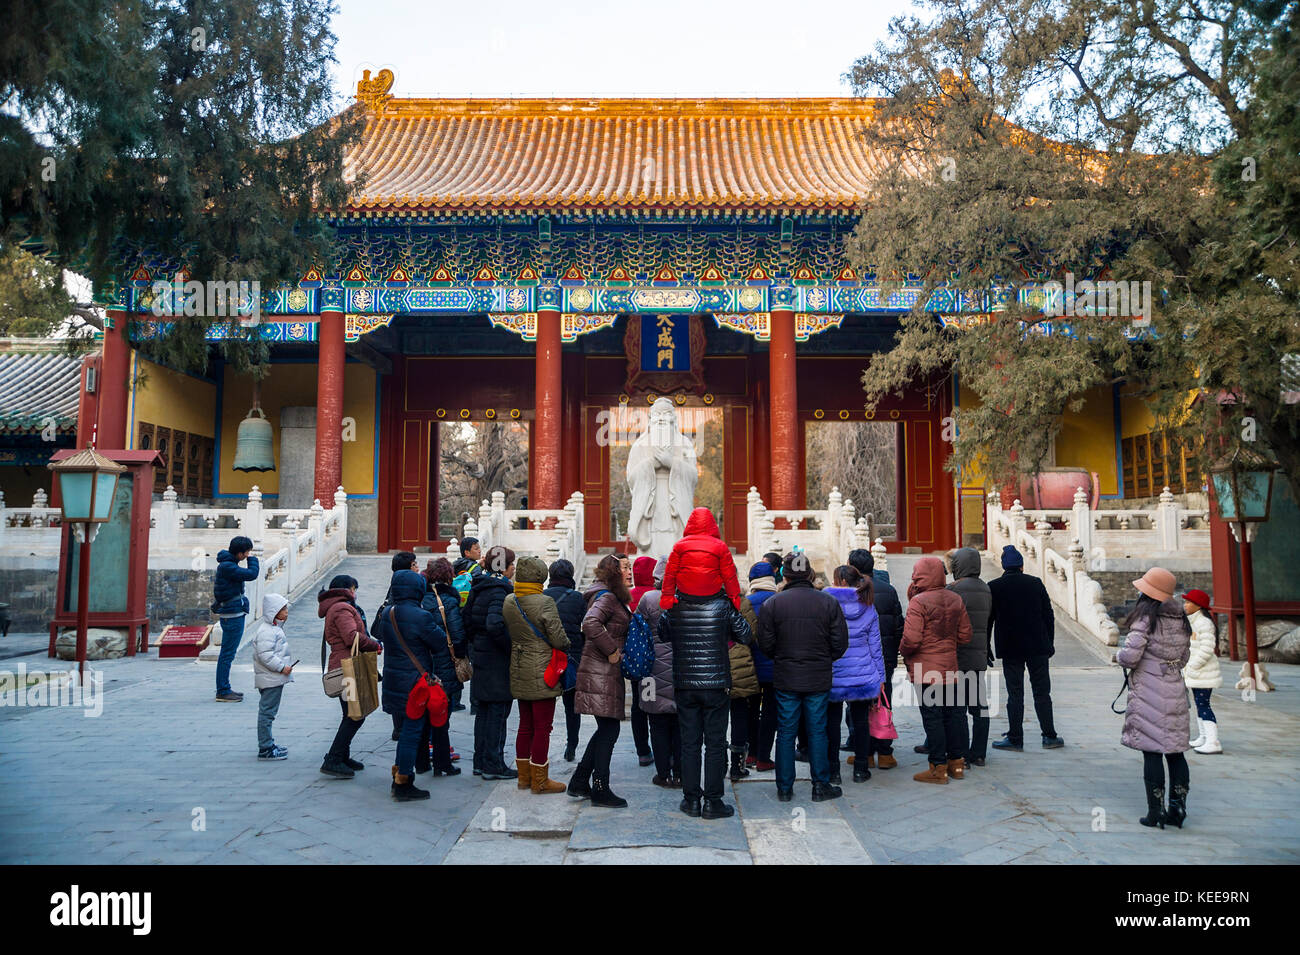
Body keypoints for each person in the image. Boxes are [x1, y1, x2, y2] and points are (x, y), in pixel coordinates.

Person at [756, 553, 849, 803]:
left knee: (786, 731)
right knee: (817, 730)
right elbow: (840, 644)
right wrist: (822, 658)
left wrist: (783, 657)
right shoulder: (827, 602)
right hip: (817, 676)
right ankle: (820, 785)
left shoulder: (773, 604)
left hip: (786, 675)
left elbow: (765, 644)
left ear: (784, 575)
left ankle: (784, 788)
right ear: (810, 574)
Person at [664, 561, 753, 819]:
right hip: (716, 684)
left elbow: (662, 632)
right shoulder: (724, 604)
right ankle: (713, 802)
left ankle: (691, 800)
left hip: (685, 682)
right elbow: (745, 635)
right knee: (715, 744)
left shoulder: (676, 605)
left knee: (689, 743)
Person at [1117, 567, 1192, 829]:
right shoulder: (1181, 618)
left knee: (1152, 751)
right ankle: (1178, 809)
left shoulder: (1145, 619)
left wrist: (1118, 657)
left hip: (1149, 690)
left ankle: (1155, 811)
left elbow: (1130, 656)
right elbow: (1184, 658)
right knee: (1175, 752)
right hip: (1174, 688)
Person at [377, 569, 460, 801]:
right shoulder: (420, 615)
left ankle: (399, 776)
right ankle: (404, 781)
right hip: (415, 682)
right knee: (412, 733)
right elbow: (439, 643)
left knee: (405, 731)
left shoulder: (388, 613)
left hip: (394, 679)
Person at [503, 556, 571, 794]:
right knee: (543, 726)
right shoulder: (545, 602)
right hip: (542, 667)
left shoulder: (510, 600)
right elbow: (557, 637)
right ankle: (540, 780)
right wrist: (567, 644)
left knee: (525, 725)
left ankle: (524, 778)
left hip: (519, 665)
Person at [568, 555, 632, 808]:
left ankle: (580, 780)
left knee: (606, 727)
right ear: (614, 572)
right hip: (601, 670)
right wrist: (612, 651)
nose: (630, 571)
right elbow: (590, 623)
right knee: (609, 728)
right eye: (626, 568)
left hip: (602, 670)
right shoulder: (607, 597)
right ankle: (600, 787)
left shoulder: (609, 595)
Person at [902, 557, 971, 784]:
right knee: (952, 716)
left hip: (926, 669)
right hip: (949, 666)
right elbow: (965, 635)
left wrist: (902, 650)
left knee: (933, 718)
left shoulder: (919, 602)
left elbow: (912, 639)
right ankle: (957, 764)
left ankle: (937, 767)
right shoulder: (955, 598)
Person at [988, 545, 1064, 751]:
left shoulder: (994, 586)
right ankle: (1049, 736)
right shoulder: (1035, 583)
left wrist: (987, 647)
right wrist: (1050, 643)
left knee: (1015, 693)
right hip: (1038, 646)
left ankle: (1015, 738)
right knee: (1042, 692)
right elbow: (1048, 616)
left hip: (1011, 648)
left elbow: (989, 620)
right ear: (1021, 565)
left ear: (1004, 566)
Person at [825, 565, 884, 785]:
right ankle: (861, 769)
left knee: (831, 723)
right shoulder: (868, 605)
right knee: (861, 722)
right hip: (862, 672)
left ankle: (833, 771)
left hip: (835, 670)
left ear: (840, 581)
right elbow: (876, 646)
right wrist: (881, 677)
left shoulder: (827, 602)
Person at [318, 574, 382, 778]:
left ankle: (342, 756)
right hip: (348, 666)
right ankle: (333, 759)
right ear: (346, 589)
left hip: (345, 663)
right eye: (354, 588)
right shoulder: (341, 608)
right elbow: (351, 636)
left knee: (351, 712)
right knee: (355, 715)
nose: (355, 593)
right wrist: (374, 645)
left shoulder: (336, 607)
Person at [466, 545, 517, 780]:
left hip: (481, 655)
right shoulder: (499, 590)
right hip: (496, 661)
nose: (513, 568)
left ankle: (480, 761)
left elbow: (467, 619)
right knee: (497, 713)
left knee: (484, 713)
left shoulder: (480, 586)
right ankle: (493, 764)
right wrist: (510, 646)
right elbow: (495, 624)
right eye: (511, 563)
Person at [848, 548, 901, 770]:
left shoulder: (850, 591)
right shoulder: (888, 590)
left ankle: (865, 752)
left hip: (857, 658)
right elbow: (899, 624)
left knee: (858, 706)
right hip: (885, 657)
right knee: (883, 701)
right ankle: (885, 752)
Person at [638, 556, 681, 788]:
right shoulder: (683, 598)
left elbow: (636, 633)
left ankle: (663, 773)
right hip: (682, 670)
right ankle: (680, 772)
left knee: (656, 722)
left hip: (649, 673)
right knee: (682, 723)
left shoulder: (647, 599)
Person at [947, 547, 992, 766]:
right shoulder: (985, 589)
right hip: (978, 657)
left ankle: (961, 753)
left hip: (957, 657)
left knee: (958, 709)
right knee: (979, 708)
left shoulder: (953, 590)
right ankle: (980, 753)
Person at [659, 507, 742, 612]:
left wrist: (667, 596)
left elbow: (670, 574)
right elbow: (729, 576)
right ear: (712, 524)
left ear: (690, 524)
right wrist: (734, 597)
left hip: (685, 593)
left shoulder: (679, 546)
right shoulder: (720, 546)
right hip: (712, 594)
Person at [544, 559, 587, 762]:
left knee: (545, 702)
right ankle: (572, 745)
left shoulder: (542, 597)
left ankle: (542, 744)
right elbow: (585, 625)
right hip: (572, 655)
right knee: (572, 706)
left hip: (547, 655)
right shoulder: (578, 598)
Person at [212, 535, 260, 702]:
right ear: (240, 553)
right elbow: (252, 574)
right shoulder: (228, 567)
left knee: (227, 653)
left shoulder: (228, 564)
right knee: (227, 654)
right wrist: (254, 560)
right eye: (247, 552)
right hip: (232, 615)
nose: (248, 555)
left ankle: (224, 688)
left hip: (231, 613)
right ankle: (223, 690)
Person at [377, 551, 418, 739]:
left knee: (397, 686)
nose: (417, 567)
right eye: (414, 564)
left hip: (394, 650)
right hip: (406, 649)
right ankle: (401, 728)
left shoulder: (394, 586)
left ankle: (398, 727)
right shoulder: (405, 589)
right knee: (404, 687)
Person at [743, 561, 780, 772]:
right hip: (774, 668)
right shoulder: (779, 601)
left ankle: (751, 754)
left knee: (750, 711)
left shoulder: (745, 602)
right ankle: (764, 757)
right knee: (770, 712)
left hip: (750, 667)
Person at [423, 558, 469, 725]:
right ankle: (440, 745)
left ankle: (428, 744)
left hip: (424, 658)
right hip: (445, 657)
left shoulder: (421, 596)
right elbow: (457, 633)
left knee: (427, 704)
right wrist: (461, 654)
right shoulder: (449, 600)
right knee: (443, 705)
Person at [619, 553, 654, 767]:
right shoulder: (657, 596)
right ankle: (661, 748)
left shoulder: (628, 597)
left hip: (635, 659)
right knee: (653, 703)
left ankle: (642, 750)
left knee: (638, 706)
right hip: (655, 662)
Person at [251, 593, 292, 760]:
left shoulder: (273, 628)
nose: (286, 612)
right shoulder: (267, 631)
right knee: (267, 713)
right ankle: (265, 747)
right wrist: (282, 667)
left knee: (268, 712)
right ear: (274, 611)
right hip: (271, 677)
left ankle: (268, 743)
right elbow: (265, 655)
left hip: (272, 677)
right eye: (283, 609)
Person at [1183, 589, 1223, 754]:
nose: (1185, 605)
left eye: (1188, 602)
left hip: (1203, 671)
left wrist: (1193, 666)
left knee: (1204, 705)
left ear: (1198, 605)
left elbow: (1207, 648)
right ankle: (1203, 737)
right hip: (1197, 672)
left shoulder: (1204, 623)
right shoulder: (1194, 621)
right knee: (1200, 705)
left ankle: (1213, 741)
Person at [728, 595, 760, 781]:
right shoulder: (740, 601)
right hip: (738, 664)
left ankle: (716, 766)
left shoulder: (700, 597)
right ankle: (737, 766)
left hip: (710, 663)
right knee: (740, 716)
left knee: (714, 719)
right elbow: (751, 633)